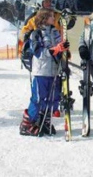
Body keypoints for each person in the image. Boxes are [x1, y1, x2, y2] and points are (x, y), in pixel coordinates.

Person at [19, 8, 70, 137]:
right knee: (38, 99)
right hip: (41, 71)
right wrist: (55, 50)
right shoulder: (36, 34)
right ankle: (27, 124)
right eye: (52, 16)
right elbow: (39, 53)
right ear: (45, 18)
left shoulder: (55, 32)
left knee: (52, 99)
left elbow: (60, 48)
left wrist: (64, 51)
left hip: (54, 71)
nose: (54, 19)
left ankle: (45, 121)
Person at [20, 0, 63, 117]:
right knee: (39, 95)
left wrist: (62, 50)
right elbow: (26, 34)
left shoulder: (56, 17)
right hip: (42, 65)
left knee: (53, 92)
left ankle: (48, 115)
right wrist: (29, 39)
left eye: (50, 0)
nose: (49, 3)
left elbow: (61, 31)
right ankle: (33, 119)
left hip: (53, 65)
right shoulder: (34, 20)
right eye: (46, 1)